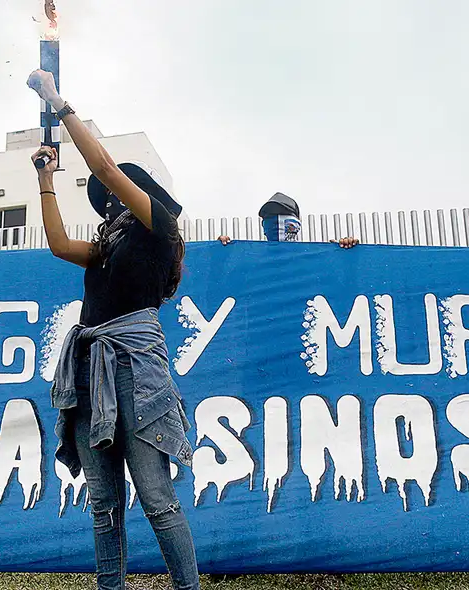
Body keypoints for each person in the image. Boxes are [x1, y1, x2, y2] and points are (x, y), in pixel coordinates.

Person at [27, 69, 200, 590]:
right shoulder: (105, 247)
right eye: (104, 198)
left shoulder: (159, 227)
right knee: (103, 501)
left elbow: (102, 163)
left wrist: (57, 101)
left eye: (114, 192)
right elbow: (60, 244)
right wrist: (45, 179)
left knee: (155, 497)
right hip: (89, 369)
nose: (108, 199)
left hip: (134, 369)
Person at [217, 191, 360, 248]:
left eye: (283, 214)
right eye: (272, 216)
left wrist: (345, 253)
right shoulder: (250, 259)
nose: (277, 220)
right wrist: (220, 252)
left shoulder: (317, 258)